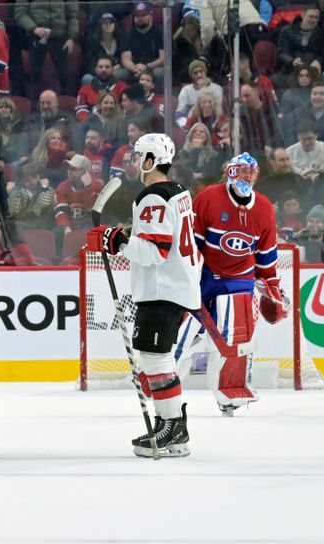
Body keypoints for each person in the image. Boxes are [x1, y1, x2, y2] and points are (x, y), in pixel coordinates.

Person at [87, 133, 197, 457]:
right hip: (176, 286)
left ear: (150, 160)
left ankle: (173, 427)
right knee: (155, 357)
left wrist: (115, 241)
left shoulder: (152, 196)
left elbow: (153, 252)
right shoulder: (179, 192)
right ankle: (171, 424)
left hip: (162, 290)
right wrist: (125, 233)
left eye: (139, 157)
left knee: (155, 358)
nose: (136, 163)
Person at [174, 152, 287, 416]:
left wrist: (271, 284)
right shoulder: (209, 197)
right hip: (206, 276)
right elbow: (192, 244)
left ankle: (229, 392)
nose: (246, 176)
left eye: (251, 172)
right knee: (184, 330)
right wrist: (186, 276)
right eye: (241, 170)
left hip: (240, 280)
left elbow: (266, 256)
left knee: (236, 338)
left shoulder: (264, 208)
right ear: (229, 172)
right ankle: (165, 383)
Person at [14, 0, 79, 97]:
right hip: (36, 35)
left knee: (64, 76)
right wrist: (34, 28)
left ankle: (66, 106)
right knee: (35, 75)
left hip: (60, 36)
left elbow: (73, 14)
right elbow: (20, 12)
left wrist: (71, 37)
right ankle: (34, 108)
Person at [119, 2, 165, 85]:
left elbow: (163, 59)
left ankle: (158, 97)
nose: (140, 18)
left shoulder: (160, 32)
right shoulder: (128, 34)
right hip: (135, 69)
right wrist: (135, 69)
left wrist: (147, 67)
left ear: (150, 16)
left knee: (159, 73)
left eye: (143, 15)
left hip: (153, 68)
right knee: (118, 74)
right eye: (137, 15)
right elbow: (125, 59)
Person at [75, 55, 128, 123]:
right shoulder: (85, 90)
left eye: (107, 67)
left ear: (112, 69)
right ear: (96, 69)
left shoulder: (123, 87)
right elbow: (81, 109)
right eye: (100, 67)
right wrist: (88, 123)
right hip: (92, 124)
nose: (104, 69)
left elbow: (126, 109)